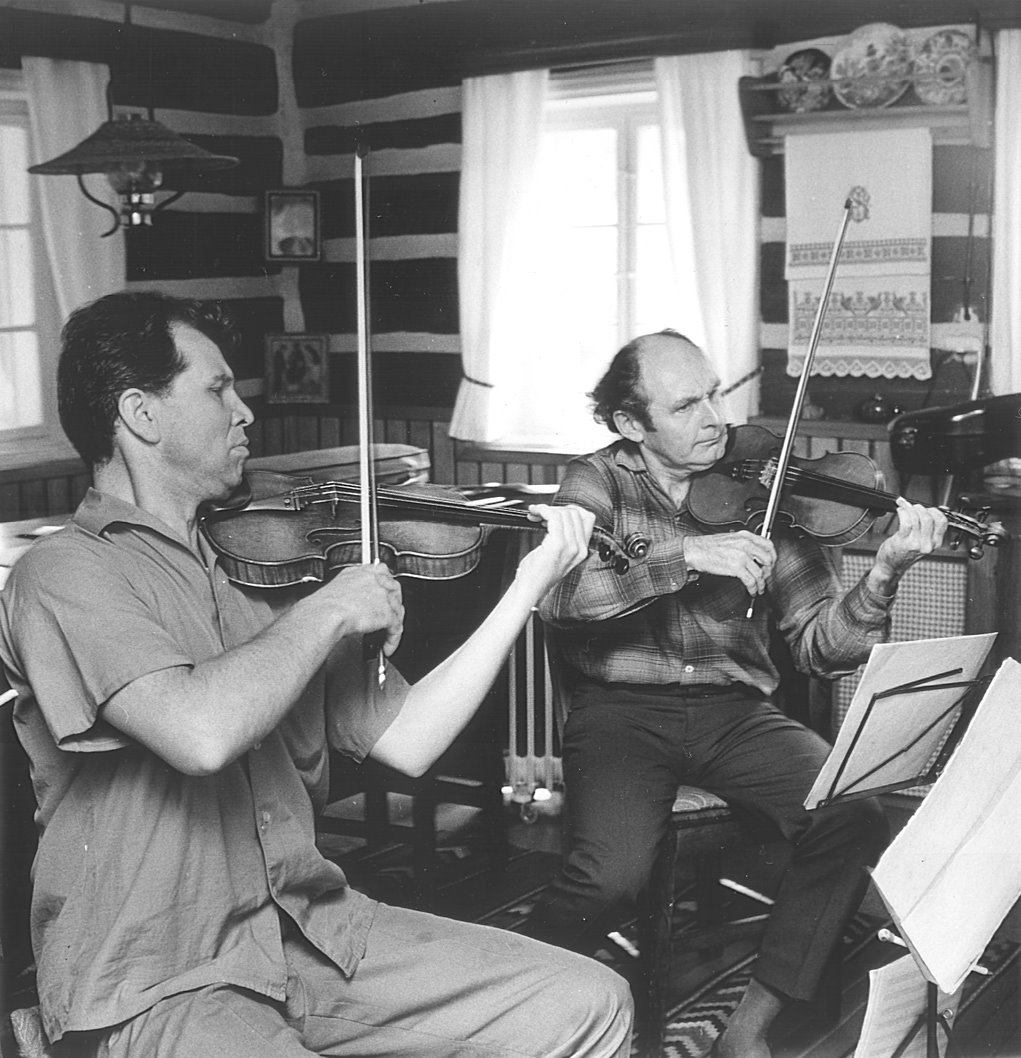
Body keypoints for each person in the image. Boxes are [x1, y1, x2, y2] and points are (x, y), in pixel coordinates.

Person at [0, 292, 633, 1058]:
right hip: (159, 977)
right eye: (217, 388)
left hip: (312, 934)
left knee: (588, 1002)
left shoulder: (260, 569)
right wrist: (328, 609)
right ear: (141, 414)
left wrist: (526, 587)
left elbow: (410, 740)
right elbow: (198, 732)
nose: (244, 412)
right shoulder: (64, 574)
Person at [525, 329, 949, 1058]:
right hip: (621, 712)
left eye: (715, 395)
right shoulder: (596, 483)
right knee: (610, 878)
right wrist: (687, 554)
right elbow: (561, 598)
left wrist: (883, 575)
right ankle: (511, 987)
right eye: (686, 406)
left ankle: (749, 1028)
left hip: (735, 713)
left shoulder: (766, 491)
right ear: (630, 423)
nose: (714, 419)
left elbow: (821, 649)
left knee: (851, 812)